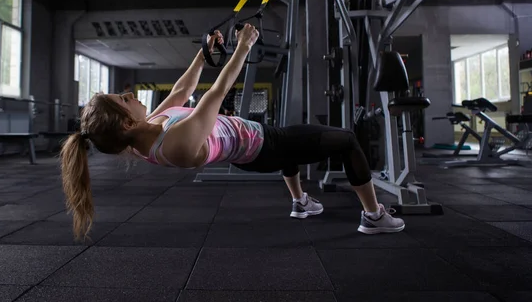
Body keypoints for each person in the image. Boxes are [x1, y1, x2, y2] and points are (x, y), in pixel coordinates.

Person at [60, 24, 405, 241]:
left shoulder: (145, 130)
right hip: (263, 149)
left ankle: (301, 203)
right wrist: (244, 46)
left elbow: (182, 92)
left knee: (290, 143)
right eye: (124, 99)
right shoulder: (176, 145)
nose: (132, 96)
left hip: (258, 142)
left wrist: (203, 54)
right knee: (346, 139)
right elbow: (216, 94)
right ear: (126, 123)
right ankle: (374, 216)